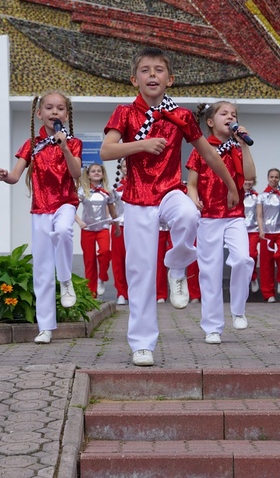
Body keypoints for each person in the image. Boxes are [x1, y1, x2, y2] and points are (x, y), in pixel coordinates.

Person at [100, 46, 239, 367]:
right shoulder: (125, 112)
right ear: (135, 79)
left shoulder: (182, 116)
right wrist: (142, 145)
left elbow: (209, 154)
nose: (152, 75)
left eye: (159, 70)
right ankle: (142, 343)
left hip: (169, 191)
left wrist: (232, 185)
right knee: (141, 273)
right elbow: (107, 151)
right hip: (136, 199)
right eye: (145, 70)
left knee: (190, 213)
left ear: (170, 79)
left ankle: (177, 266)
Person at [0, 91, 82, 345]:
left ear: (67, 115)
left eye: (60, 109)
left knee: (65, 230)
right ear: (39, 113)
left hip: (65, 202)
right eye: (49, 108)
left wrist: (64, 146)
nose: (54, 112)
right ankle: (45, 326)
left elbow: (76, 172)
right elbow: (15, 175)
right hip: (41, 208)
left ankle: (66, 279)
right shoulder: (31, 144)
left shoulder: (73, 142)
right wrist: (5, 176)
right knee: (43, 268)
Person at [187, 101, 256, 344]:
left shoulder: (237, 148)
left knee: (243, 259)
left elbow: (249, 177)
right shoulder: (200, 149)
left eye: (233, 114)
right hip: (208, 219)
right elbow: (192, 184)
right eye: (224, 113)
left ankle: (238, 309)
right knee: (210, 273)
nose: (230, 116)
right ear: (210, 121)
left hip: (233, 215)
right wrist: (193, 201)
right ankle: (213, 327)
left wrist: (244, 145)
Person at [75, 163, 118, 298]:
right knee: (89, 261)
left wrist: (116, 226)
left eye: (99, 171)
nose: (96, 173)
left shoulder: (108, 190)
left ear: (102, 173)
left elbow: (112, 211)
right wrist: (79, 222)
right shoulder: (82, 190)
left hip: (102, 228)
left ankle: (102, 276)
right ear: (88, 174)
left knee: (105, 251)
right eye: (93, 171)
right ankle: (91, 294)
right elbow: (71, 208)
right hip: (87, 229)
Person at [256, 168, 280, 302]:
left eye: (276, 177)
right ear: (268, 178)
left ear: (279, 178)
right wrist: (261, 229)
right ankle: (268, 293)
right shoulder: (262, 196)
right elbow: (259, 215)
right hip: (267, 232)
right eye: (271, 177)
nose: (274, 179)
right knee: (266, 263)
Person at [111, 159, 128, 305]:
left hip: (136, 227)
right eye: (124, 166)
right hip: (119, 227)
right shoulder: (115, 188)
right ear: (121, 169)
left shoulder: (141, 186)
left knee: (136, 260)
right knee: (118, 261)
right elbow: (109, 207)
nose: (127, 168)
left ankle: (135, 292)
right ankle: (121, 293)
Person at [243, 179, 260, 293]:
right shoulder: (236, 194)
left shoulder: (258, 197)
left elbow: (260, 214)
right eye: (246, 180)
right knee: (241, 257)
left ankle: (253, 277)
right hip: (239, 230)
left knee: (252, 254)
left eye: (251, 180)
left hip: (253, 230)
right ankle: (243, 281)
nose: (248, 182)